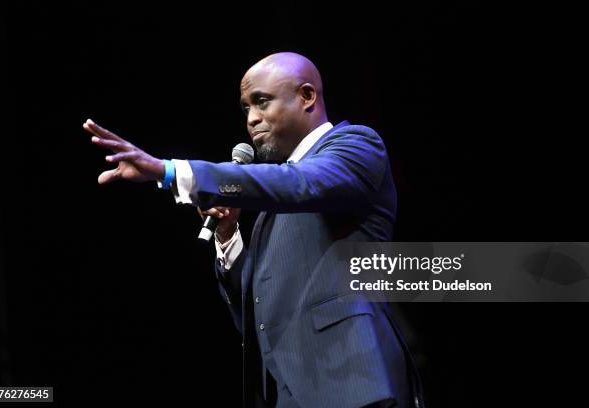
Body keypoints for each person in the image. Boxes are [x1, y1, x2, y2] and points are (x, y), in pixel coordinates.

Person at [84, 52, 424, 408]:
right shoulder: (272, 203)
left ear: (307, 97)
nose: (252, 119)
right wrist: (228, 236)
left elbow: (302, 184)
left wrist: (169, 171)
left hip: (353, 387)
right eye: (246, 108)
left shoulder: (356, 146)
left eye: (262, 102)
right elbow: (259, 314)